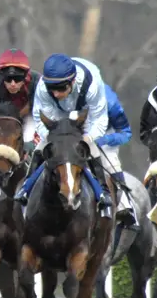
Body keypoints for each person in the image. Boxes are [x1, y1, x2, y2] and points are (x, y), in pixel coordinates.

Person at [15, 53, 112, 216]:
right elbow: (40, 118)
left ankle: (104, 193)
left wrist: (86, 137)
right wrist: (55, 138)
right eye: (51, 89)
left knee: (89, 146)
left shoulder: (92, 86)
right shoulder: (43, 88)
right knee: (43, 146)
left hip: (84, 112)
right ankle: (26, 189)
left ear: (72, 82)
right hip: (56, 115)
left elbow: (100, 121)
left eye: (61, 89)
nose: (56, 94)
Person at [0, 48, 41, 155]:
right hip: (4, 121)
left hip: (32, 117)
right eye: (8, 78)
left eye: (18, 78)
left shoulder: (38, 84)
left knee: (28, 142)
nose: (13, 84)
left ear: (25, 75)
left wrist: (36, 140)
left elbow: (48, 118)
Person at [96, 82, 137, 230]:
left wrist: (107, 139)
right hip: (78, 135)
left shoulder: (110, 101)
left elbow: (126, 134)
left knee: (110, 162)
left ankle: (125, 206)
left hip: (105, 139)